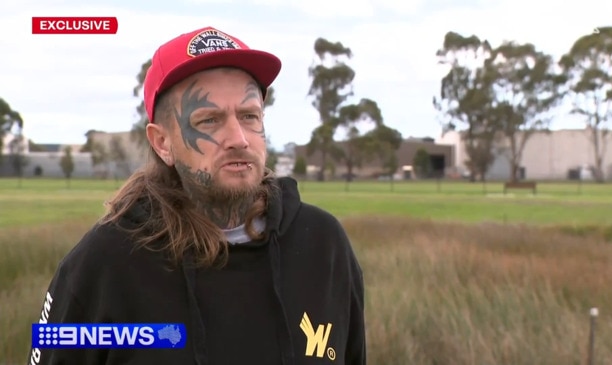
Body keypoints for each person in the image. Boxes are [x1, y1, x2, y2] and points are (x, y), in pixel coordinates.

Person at [27, 26, 366, 365]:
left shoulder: (323, 245)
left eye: (249, 116)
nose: (238, 138)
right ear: (162, 143)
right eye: (209, 120)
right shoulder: (103, 263)